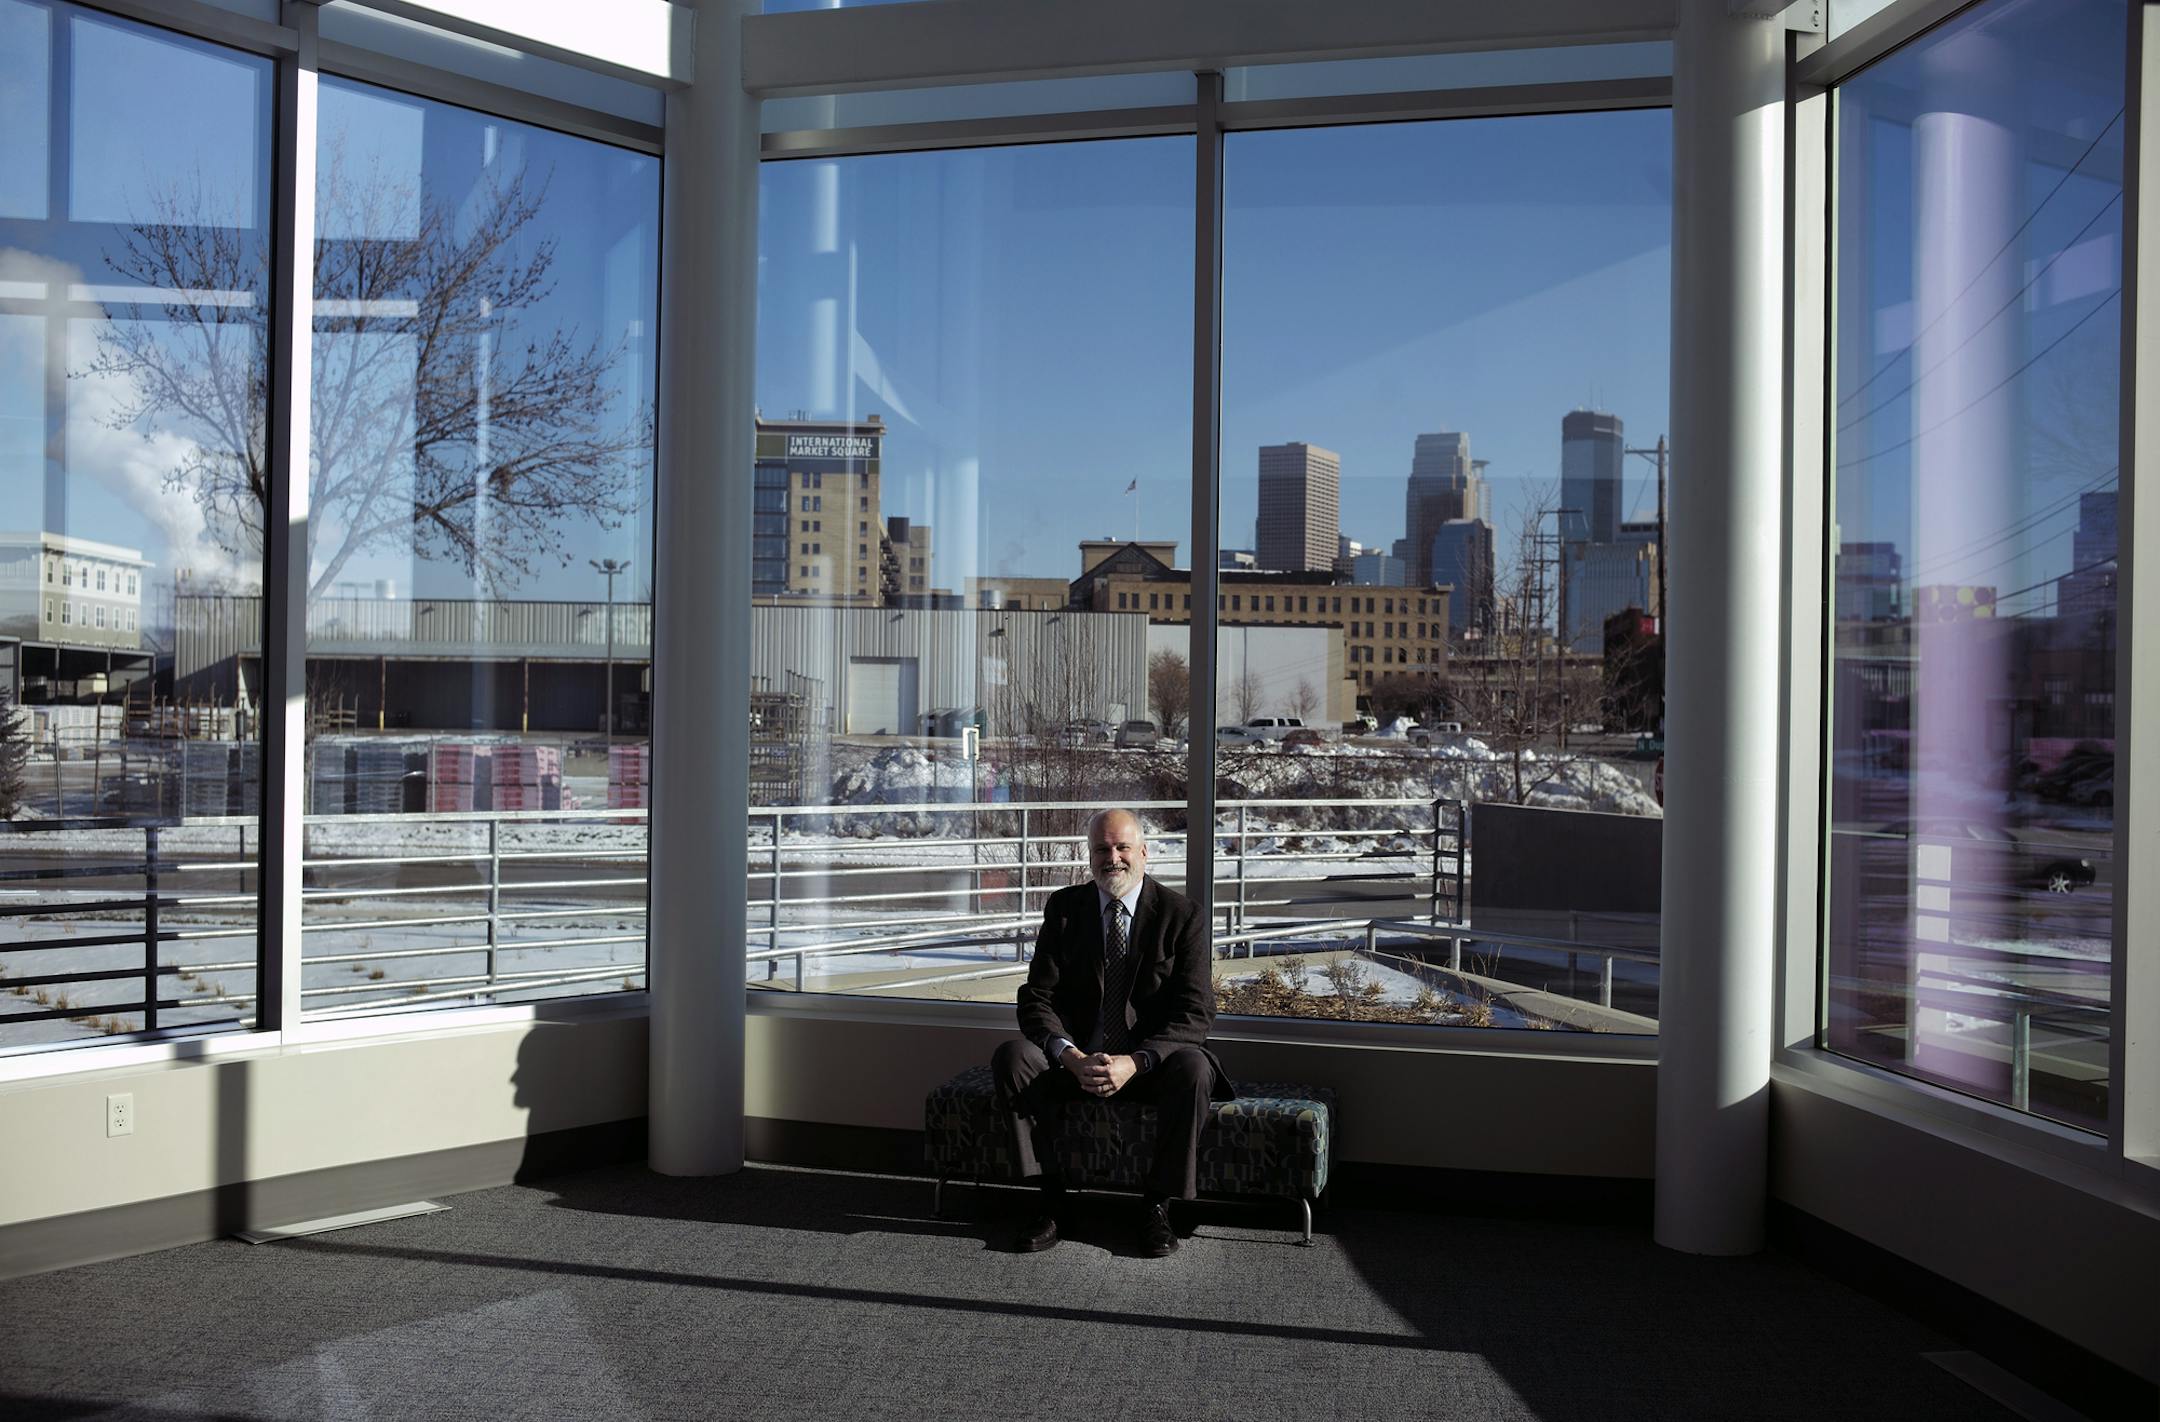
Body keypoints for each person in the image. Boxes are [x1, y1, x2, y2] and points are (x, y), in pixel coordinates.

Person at [990, 807, 1233, 1257]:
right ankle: (1051, 1202)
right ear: (1089, 855)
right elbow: (1036, 998)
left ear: (1143, 852)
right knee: (1013, 1056)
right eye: (1102, 848)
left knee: (1195, 1067)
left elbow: (1196, 1013)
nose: (1113, 857)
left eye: (1122, 847)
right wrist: (1070, 1056)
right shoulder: (1065, 909)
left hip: (1147, 1066)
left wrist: (1134, 1062)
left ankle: (1157, 1208)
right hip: (1077, 1063)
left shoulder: (1183, 915)